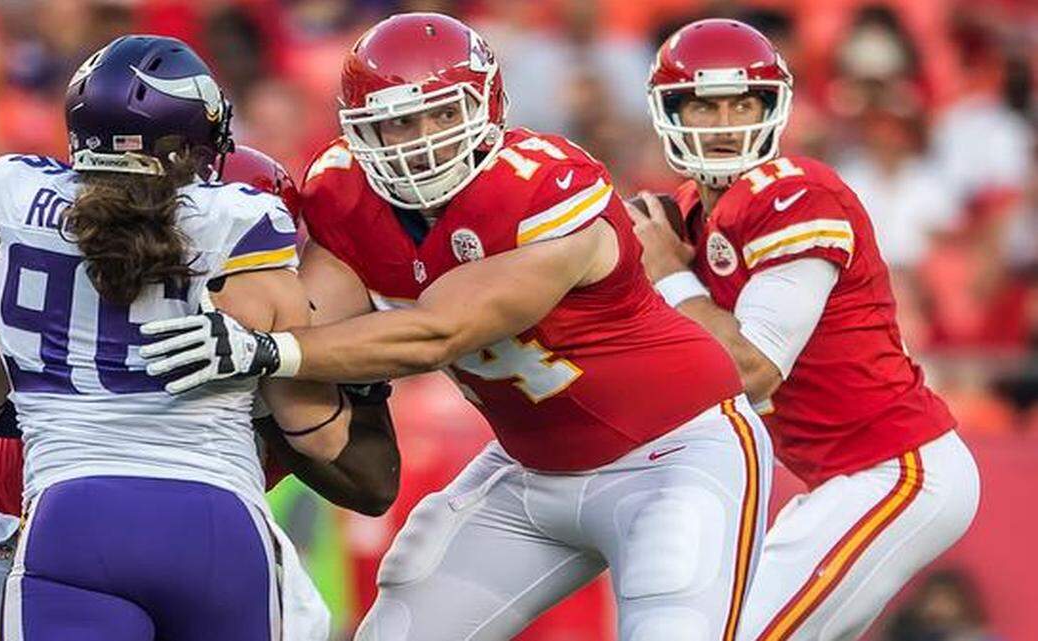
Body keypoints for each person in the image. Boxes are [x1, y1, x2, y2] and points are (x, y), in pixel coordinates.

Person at [139, 13, 774, 641]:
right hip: (529, 470)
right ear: (362, 129)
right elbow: (314, 324)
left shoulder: (545, 186)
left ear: (487, 107)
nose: (426, 138)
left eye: (444, 113)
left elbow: (437, 334)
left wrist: (262, 350)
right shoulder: (342, 190)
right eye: (401, 120)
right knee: (399, 625)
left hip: (676, 455)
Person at [0, 35, 376, 641]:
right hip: (218, 527)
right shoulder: (247, 244)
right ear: (191, 147)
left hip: (70, 519)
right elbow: (322, 439)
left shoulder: (13, 238)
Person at [627, 19, 980, 641]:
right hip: (838, 477)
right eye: (705, 107)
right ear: (669, 112)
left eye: (742, 102)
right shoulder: (681, 212)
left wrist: (670, 280)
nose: (725, 122)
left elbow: (753, 367)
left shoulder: (797, 195)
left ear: (775, 108)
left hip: (895, 470)